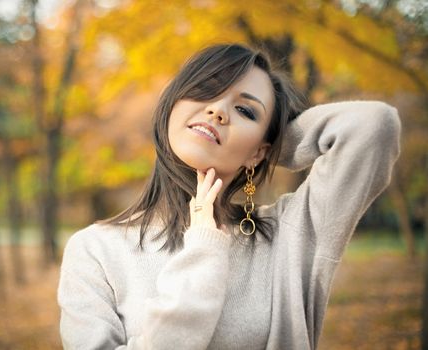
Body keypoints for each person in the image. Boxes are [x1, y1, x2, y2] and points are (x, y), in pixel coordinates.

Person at [57, 43, 401, 349]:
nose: (219, 110)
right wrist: (204, 250)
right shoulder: (94, 250)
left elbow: (374, 126)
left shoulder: (288, 236)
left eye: (246, 111)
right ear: (172, 104)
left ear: (259, 152)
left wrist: (270, 144)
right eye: (207, 90)